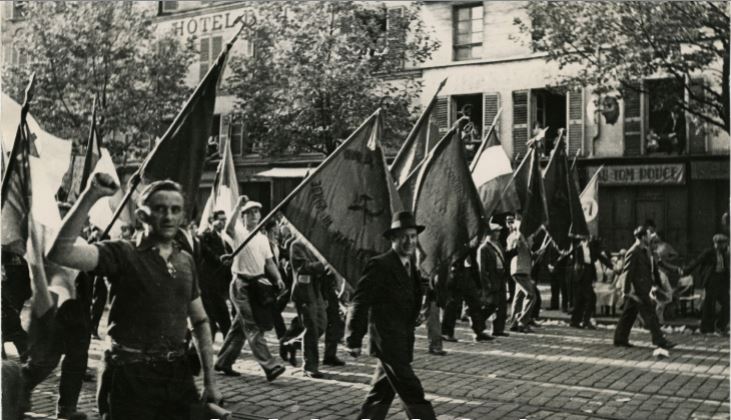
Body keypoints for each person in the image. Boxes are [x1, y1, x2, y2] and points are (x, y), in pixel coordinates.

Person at [46, 175, 222, 419]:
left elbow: (200, 321)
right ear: (142, 216)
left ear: (182, 216)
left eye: (175, 210)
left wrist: (211, 383)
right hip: (130, 375)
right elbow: (60, 252)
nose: (169, 216)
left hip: (177, 375)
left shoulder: (185, 260)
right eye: (160, 209)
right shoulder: (121, 252)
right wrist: (90, 195)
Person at [346, 211, 437, 420]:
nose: (409, 241)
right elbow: (360, 300)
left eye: (413, 236)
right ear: (393, 238)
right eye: (404, 236)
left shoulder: (411, 266)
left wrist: (415, 315)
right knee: (411, 389)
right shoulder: (380, 264)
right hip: (387, 340)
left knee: (381, 392)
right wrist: (353, 338)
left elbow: (408, 297)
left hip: (402, 339)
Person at [215, 196, 286, 381]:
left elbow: (269, 263)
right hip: (240, 285)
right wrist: (237, 205)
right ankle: (270, 366)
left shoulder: (262, 239)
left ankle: (223, 361)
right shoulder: (238, 232)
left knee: (240, 328)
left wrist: (277, 278)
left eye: (257, 212)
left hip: (258, 286)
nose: (255, 215)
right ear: (243, 216)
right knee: (252, 326)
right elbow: (228, 228)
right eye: (251, 212)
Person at [613, 226, 676, 349]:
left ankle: (619, 338)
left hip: (643, 289)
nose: (650, 238)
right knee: (650, 315)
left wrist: (656, 284)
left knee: (629, 315)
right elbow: (627, 273)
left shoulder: (644, 250)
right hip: (638, 291)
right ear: (642, 237)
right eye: (648, 236)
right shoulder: (633, 251)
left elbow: (650, 270)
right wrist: (626, 291)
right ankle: (659, 340)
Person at [681, 234, 729, 334]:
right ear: (718, 244)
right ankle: (707, 328)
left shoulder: (724, 253)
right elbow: (697, 261)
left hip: (721, 281)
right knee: (709, 304)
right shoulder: (709, 252)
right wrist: (686, 271)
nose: (725, 246)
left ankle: (721, 325)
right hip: (712, 280)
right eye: (724, 243)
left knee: (727, 303)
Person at [199, 210, 233, 339]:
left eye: (225, 219)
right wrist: (220, 259)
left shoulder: (222, 238)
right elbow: (208, 253)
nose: (224, 222)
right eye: (221, 220)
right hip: (208, 284)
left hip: (219, 283)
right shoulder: (205, 236)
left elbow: (229, 252)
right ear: (211, 221)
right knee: (217, 318)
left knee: (221, 318)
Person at [569, 237, 612, 330]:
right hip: (580, 275)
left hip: (588, 274)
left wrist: (612, 266)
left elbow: (601, 257)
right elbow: (572, 259)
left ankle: (578, 321)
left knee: (586, 298)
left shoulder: (591, 248)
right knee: (587, 298)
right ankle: (582, 321)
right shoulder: (577, 247)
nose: (589, 240)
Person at [477, 219, 510, 337]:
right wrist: (486, 284)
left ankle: (498, 329)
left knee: (502, 305)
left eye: (499, 231)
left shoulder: (498, 245)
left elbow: (503, 258)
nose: (499, 233)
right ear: (489, 233)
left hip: (500, 277)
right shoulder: (484, 248)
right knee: (491, 305)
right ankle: (478, 324)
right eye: (496, 231)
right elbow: (482, 268)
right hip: (492, 279)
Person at [506, 214, 537, 333]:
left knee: (518, 297)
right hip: (519, 270)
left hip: (523, 269)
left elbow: (527, 249)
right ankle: (522, 322)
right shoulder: (516, 236)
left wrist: (534, 253)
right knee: (531, 295)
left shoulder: (521, 236)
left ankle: (514, 322)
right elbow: (512, 249)